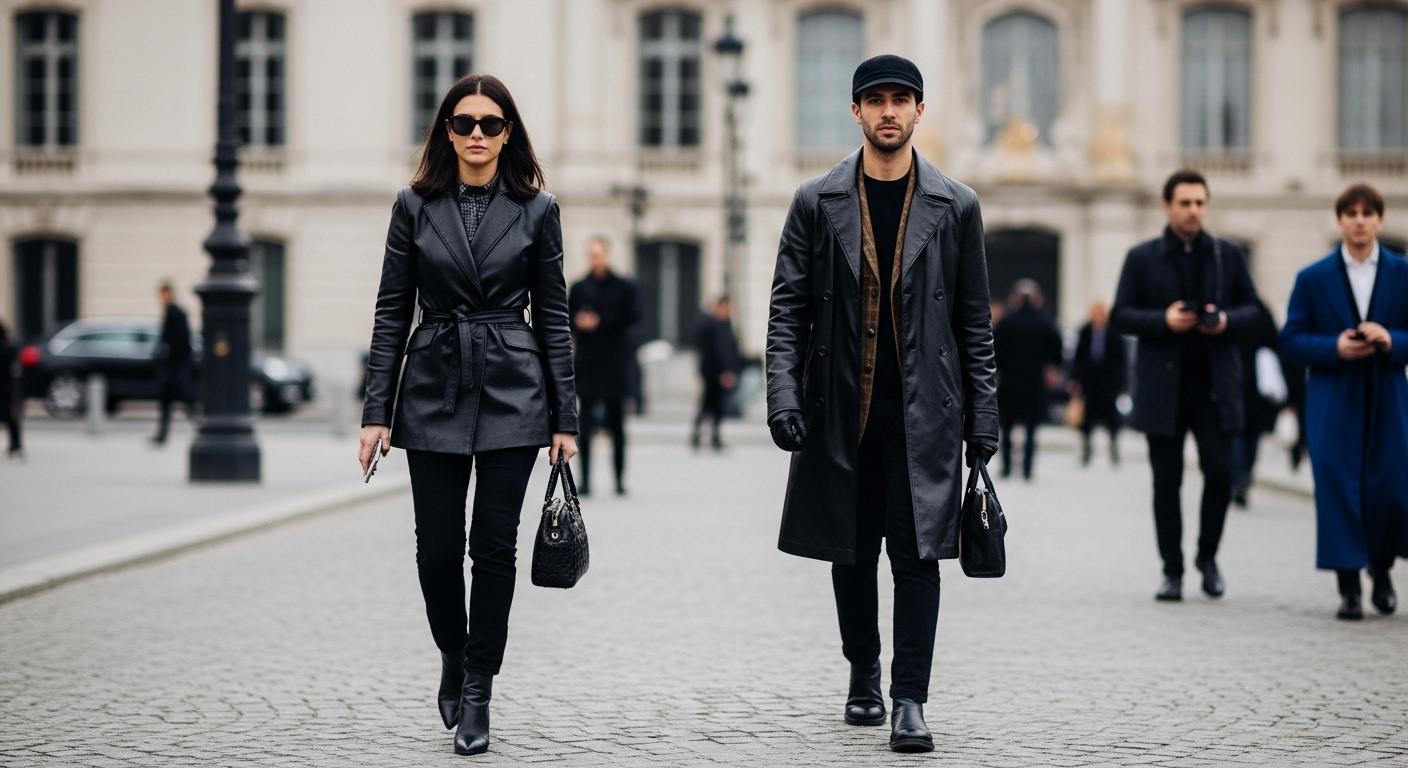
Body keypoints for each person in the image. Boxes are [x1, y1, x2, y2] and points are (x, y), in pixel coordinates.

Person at [766, 55, 998, 753]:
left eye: (902, 99)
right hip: (841, 408)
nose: (889, 111)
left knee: (919, 557)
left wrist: (983, 420)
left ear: (920, 111)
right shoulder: (817, 200)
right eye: (876, 100)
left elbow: (974, 322)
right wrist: (783, 396)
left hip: (925, 416)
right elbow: (787, 309)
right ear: (857, 113)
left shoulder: (956, 206)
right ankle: (863, 671)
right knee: (851, 553)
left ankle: (910, 698)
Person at [357, 74, 578, 756]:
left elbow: (556, 317)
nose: (476, 134)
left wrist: (565, 420)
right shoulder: (413, 206)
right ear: (445, 132)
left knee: (494, 547)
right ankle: (453, 652)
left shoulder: (538, 209)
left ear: (508, 131)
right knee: (436, 549)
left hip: (515, 383)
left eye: (489, 122)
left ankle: (479, 684)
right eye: (463, 123)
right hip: (434, 383)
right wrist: (376, 412)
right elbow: (393, 309)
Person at [1111, 169, 1261, 602]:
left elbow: (1256, 311)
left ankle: (1207, 558)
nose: (1193, 211)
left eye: (1200, 203)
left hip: (1216, 388)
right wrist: (1164, 320)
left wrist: (1226, 320)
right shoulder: (1142, 256)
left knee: (1220, 473)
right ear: (1167, 206)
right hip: (1163, 390)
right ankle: (1171, 570)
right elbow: (1121, 313)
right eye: (1185, 203)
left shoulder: (1228, 255)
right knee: (1166, 483)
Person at [1280, 183, 1408, 621]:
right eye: (1350, 213)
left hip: (1388, 394)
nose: (1359, 220)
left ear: (1379, 219)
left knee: (1389, 486)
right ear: (1339, 220)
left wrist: (1392, 339)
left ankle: (1383, 568)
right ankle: (1348, 585)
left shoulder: (1401, 271)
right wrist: (1333, 346)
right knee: (1337, 487)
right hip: (1333, 396)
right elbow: (1291, 339)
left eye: (1367, 212)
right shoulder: (1313, 277)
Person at [568, 236, 638, 496]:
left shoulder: (623, 287)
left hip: (614, 366)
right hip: (587, 365)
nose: (596, 259)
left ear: (608, 256)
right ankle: (585, 480)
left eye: (600, 254)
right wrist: (580, 321)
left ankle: (619, 480)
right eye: (592, 254)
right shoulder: (579, 288)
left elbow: (633, 317)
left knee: (617, 426)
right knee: (584, 427)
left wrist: (600, 321)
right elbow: (567, 318)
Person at [993, 280, 1062, 480]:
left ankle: (1006, 467)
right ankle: (1027, 469)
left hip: (1010, 382)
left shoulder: (1006, 322)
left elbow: (994, 351)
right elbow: (1056, 352)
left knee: (1007, 428)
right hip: (1034, 382)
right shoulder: (1045, 322)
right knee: (1031, 429)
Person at [1230, 300, 1282, 507]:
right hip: (1258, 387)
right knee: (1251, 436)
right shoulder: (1262, 312)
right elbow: (1276, 344)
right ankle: (1244, 475)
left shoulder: (1231, 309)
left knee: (1238, 435)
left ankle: (1239, 476)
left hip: (1238, 382)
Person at [1069, 302, 1126, 466]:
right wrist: (1075, 379)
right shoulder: (1085, 331)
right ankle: (1086, 450)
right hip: (1089, 383)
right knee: (1087, 418)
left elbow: (1121, 360)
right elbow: (1078, 358)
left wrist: (1122, 383)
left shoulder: (1114, 333)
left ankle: (1114, 448)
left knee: (1112, 418)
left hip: (1109, 383)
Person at [692, 296, 740, 451]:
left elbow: (731, 350)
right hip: (712, 373)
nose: (727, 311)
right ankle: (698, 434)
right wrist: (724, 371)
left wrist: (731, 370)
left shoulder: (726, 326)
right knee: (708, 404)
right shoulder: (710, 325)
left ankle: (713, 436)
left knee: (716, 406)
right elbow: (714, 351)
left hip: (721, 373)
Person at [151, 281, 194, 446]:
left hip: (175, 368)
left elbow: (180, 340)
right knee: (168, 401)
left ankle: (199, 425)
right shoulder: (171, 312)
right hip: (172, 368)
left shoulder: (175, 313)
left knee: (185, 399)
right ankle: (162, 435)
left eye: (164, 294)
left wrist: (166, 352)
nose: (162, 298)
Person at [0, 321, 22, 459]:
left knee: (10, 418)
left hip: (6, 388)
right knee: (11, 418)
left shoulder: (9, 350)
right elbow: (16, 371)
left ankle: (15, 444)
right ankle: (16, 444)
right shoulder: (11, 349)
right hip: (8, 388)